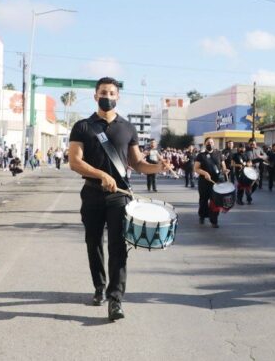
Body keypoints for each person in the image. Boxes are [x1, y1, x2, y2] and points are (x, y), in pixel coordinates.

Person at [68, 77, 171, 321]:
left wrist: (158, 168)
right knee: (93, 243)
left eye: (112, 93)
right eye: (103, 92)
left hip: (118, 197)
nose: (108, 96)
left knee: (118, 248)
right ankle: (99, 287)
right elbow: (74, 162)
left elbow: (136, 163)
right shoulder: (82, 126)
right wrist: (101, 174)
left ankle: (115, 299)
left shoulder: (127, 127)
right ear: (96, 96)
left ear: (118, 97)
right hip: (92, 193)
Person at [194, 138, 227, 228]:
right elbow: (196, 168)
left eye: (212, 142)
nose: (210, 144)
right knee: (203, 200)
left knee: (215, 201)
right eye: (208, 142)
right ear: (205, 144)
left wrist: (225, 170)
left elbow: (223, 166)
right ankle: (202, 215)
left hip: (216, 182)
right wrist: (205, 173)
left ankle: (214, 220)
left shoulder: (219, 154)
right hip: (204, 181)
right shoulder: (201, 155)